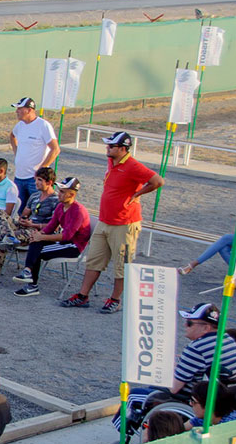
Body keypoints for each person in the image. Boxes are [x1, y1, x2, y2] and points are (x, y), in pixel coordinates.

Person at [61, 131, 164, 313]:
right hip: (105, 221)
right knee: (94, 260)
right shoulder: (112, 162)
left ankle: (115, 299)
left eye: (111, 146)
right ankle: (83, 295)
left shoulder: (133, 166)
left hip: (125, 223)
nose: (107, 148)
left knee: (122, 264)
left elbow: (157, 181)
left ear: (123, 149)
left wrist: (137, 194)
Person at [115, 303, 236, 433]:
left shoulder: (196, 348)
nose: (185, 325)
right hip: (222, 396)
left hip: (193, 398)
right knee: (151, 389)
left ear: (206, 327)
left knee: (133, 396)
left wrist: (168, 368)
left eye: (190, 323)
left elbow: (174, 388)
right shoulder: (227, 340)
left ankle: (123, 437)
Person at [0, 166, 59, 286]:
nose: (36, 182)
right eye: (36, 179)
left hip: (40, 232)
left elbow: (54, 227)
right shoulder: (35, 196)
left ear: (49, 182)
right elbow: (25, 213)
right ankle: (9, 236)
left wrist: (33, 224)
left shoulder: (55, 201)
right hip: (26, 226)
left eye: (40, 180)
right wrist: (23, 219)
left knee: (2, 239)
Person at [12, 176, 92, 296]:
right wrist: (39, 234)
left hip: (74, 246)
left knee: (38, 251)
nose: (58, 194)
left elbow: (67, 236)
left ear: (71, 195)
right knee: (36, 241)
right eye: (59, 191)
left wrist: (42, 237)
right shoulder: (61, 206)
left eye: (62, 192)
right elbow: (50, 226)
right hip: (64, 242)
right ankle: (28, 272)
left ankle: (31, 283)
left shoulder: (78, 211)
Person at [9, 97, 59, 213]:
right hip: (19, 176)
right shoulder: (20, 125)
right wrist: (17, 153)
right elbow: (12, 136)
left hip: (34, 178)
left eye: (20, 109)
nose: (17, 111)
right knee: (21, 210)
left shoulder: (43, 125)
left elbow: (55, 149)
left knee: (37, 211)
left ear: (29, 110)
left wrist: (42, 168)